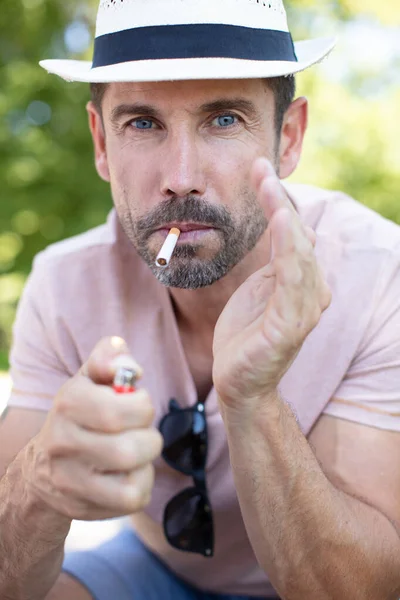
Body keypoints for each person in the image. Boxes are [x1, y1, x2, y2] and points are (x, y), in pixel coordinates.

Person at [1, 0, 400, 598]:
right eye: (142, 123)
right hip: (153, 567)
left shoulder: (379, 277)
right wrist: (37, 488)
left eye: (224, 120)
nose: (180, 176)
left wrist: (253, 397)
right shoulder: (65, 284)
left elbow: (363, 587)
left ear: (287, 138)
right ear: (101, 144)